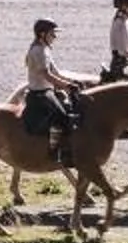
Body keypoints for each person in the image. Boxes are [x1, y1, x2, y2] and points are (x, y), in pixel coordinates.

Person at [22, 18, 88, 163]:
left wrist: (73, 83)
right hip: (40, 94)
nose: (55, 37)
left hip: (47, 91)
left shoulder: (45, 49)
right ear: (42, 34)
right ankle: (55, 151)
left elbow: (56, 73)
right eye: (52, 34)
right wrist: (67, 86)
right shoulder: (38, 51)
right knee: (62, 117)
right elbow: (46, 75)